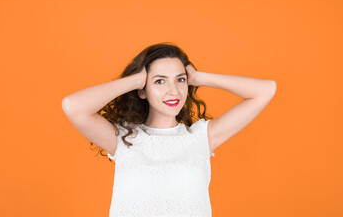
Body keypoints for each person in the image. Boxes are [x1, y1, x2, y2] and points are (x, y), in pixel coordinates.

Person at [61, 42, 277, 217]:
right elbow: (73, 106)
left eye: (180, 80)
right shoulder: (122, 139)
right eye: (160, 81)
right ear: (142, 90)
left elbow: (266, 90)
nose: (173, 91)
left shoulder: (202, 137)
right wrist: (136, 80)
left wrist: (199, 78)